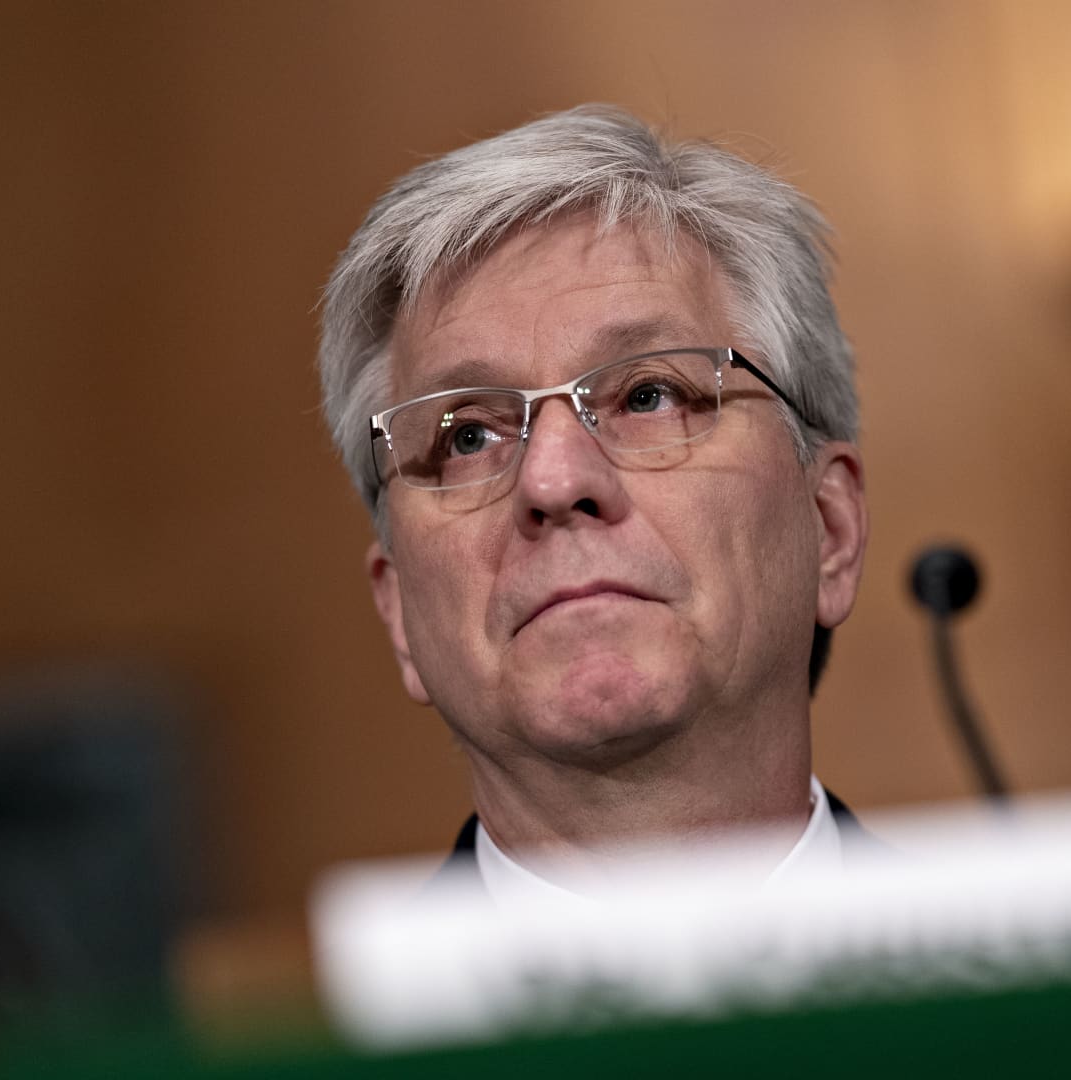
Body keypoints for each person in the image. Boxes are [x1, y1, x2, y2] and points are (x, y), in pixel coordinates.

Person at [317, 105, 870, 906]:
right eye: (467, 437)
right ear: (400, 611)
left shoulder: (1029, 977)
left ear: (831, 530)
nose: (552, 482)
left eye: (648, 395)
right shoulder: (331, 994)